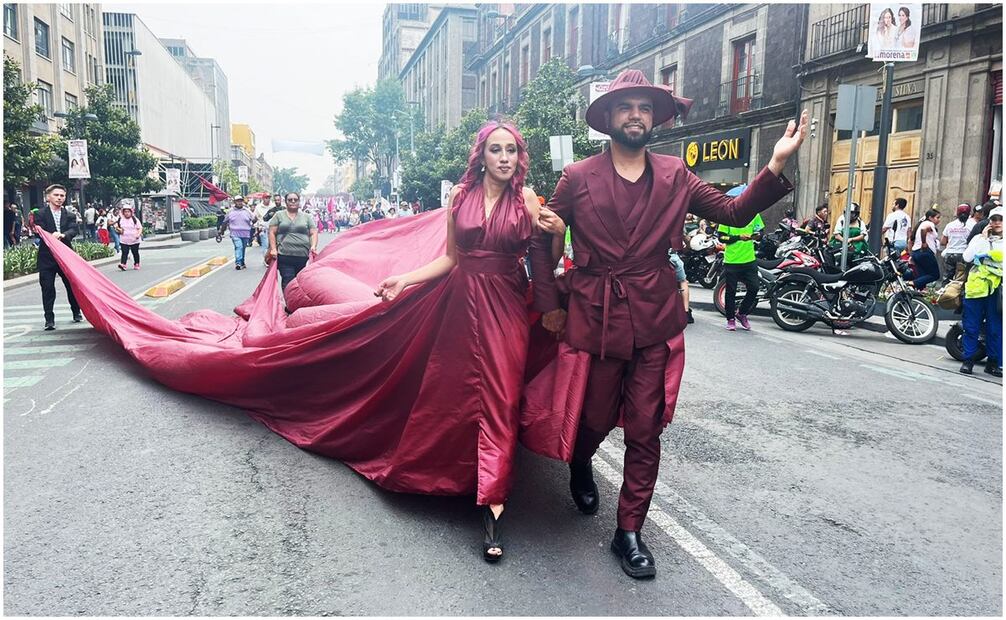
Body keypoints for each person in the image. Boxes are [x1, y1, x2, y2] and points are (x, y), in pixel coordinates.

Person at [530, 69, 806, 579]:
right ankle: (580, 460)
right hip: (595, 317)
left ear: (654, 117)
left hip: (655, 319)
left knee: (646, 428)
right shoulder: (577, 177)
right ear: (609, 118)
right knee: (592, 417)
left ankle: (628, 530)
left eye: (644, 107)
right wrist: (549, 302)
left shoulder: (677, 173)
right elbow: (538, 236)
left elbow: (733, 211)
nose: (635, 114)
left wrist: (774, 164)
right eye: (625, 107)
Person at [374, 121, 542, 562]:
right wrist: (404, 281)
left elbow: (547, 254)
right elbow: (450, 258)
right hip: (459, 306)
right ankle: (448, 474)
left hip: (507, 309)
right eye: (495, 150)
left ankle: (494, 501)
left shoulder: (527, 199)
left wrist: (558, 233)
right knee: (455, 397)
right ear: (481, 156)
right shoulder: (460, 197)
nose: (504, 158)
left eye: (511, 150)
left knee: (502, 399)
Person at [959, 206, 1002, 376]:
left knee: (995, 328)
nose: (997, 223)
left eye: (1000, 219)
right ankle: (968, 360)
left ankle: (993, 362)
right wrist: (982, 239)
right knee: (971, 327)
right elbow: (967, 257)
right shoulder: (979, 238)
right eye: (994, 219)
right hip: (976, 289)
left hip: (997, 291)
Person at [34, 184, 83, 330]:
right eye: (56, 195)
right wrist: (50, 235)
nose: (59, 198)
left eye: (62, 195)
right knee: (47, 288)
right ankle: (49, 319)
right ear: (48, 197)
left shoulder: (70, 215)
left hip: (66, 256)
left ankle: (76, 312)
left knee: (72, 286)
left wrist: (63, 235)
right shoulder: (40, 214)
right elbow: (38, 230)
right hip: (46, 257)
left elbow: (74, 229)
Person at [719, 211, 764, 331]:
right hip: (732, 260)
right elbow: (722, 237)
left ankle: (742, 313)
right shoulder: (727, 216)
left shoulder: (754, 215)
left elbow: (761, 232)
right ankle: (730, 319)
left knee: (754, 288)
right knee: (731, 291)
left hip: (749, 259)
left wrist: (757, 235)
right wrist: (738, 237)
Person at [267, 192, 318, 291]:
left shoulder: (306, 217)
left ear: (299, 202)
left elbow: (313, 233)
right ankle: (289, 304)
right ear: (285, 202)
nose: (293, 201)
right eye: (290, 200)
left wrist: (313, 246)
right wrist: (273, 249)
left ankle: (296, 303)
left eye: (295, 199)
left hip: (302, 257)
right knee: (288, 280)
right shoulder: (279, 215)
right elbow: (272, 232)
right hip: (284, 256)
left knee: (300, 282)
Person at [910, 208, 942, 290]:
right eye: (937, 217)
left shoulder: (923, 223)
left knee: (922, 275)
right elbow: (923, 230)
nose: (939, 220)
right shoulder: (928, 223)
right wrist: (924, 243)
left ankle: (919, 293)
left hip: (916, 252)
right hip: (925, 252)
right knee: (934, 274)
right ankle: (913, 283)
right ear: (931, 217)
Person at [940, 204, 973, 283]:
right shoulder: (972, 225)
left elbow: (943, 242)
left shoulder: (950, 225)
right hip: (964, 255)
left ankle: (945, 294)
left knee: (946, 278)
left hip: (950, 254)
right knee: (962, 279)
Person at [219, 196, 254, 270]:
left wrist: (251, 224)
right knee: (239, 246)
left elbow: (254, 218)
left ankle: (242, 262)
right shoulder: (230, 211)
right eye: (238, 201)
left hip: (245, 233)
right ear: (234, 202)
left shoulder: (247, 210)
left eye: (241, 201)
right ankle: (238, 262)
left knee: (243, 248)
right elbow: (225, 222)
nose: (239, 202)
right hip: (235, 233)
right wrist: (221, 232)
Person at [667, 246, 694, 324]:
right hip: (672, 258)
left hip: (653, 260)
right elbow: (687, 244)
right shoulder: (675, 233)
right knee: (683, 282)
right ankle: (686, 312)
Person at [115, 204, 143, 270]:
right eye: (125, 212)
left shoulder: (134, 219)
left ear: (131, 212)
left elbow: (140, 228)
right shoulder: (120, 220)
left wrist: (138, 234)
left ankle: (136, 263)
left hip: (134, 240)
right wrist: (118, 229)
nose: (127, 213)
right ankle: (123, 264)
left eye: (128, 212)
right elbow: (119, 229)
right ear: (123, 212)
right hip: (124, 240)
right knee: (124, 252)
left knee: (135, 252)